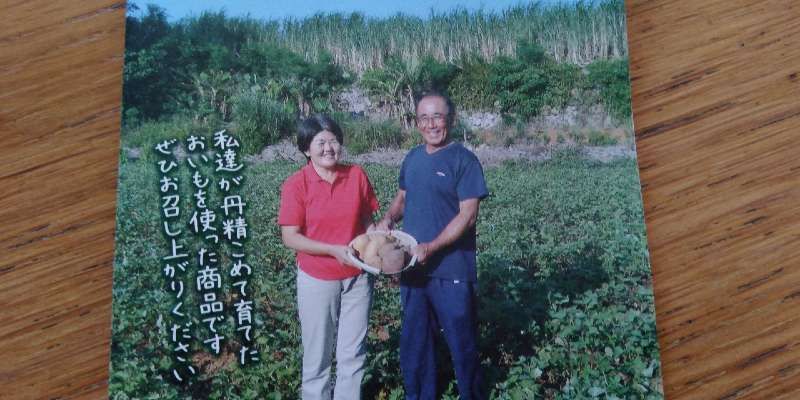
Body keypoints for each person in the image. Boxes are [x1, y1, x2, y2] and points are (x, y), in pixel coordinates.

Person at [376, 92, 489, 399]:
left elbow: (467, 216)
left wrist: (431, 246)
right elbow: (402, 198)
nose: (431, 124)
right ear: (416, 123)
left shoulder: (464, 160)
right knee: (415, 343)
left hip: (451, 269)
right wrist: (388, 219)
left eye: (437, 116)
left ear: (450, 119)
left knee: (462, 345)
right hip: (413, 269)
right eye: (424, 118)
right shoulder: (412, 157)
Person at [278, 114, 379, 400]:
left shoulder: (356, 175)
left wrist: (381, 246)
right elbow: (290, 237)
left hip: (357, 279)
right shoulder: (296, 184)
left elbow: (367, 221)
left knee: (353, 354)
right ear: (306, 148)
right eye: (319, 142)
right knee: (317, 357)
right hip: (317, 278)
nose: (328, 148)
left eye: (333, 141)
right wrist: (333, 250)